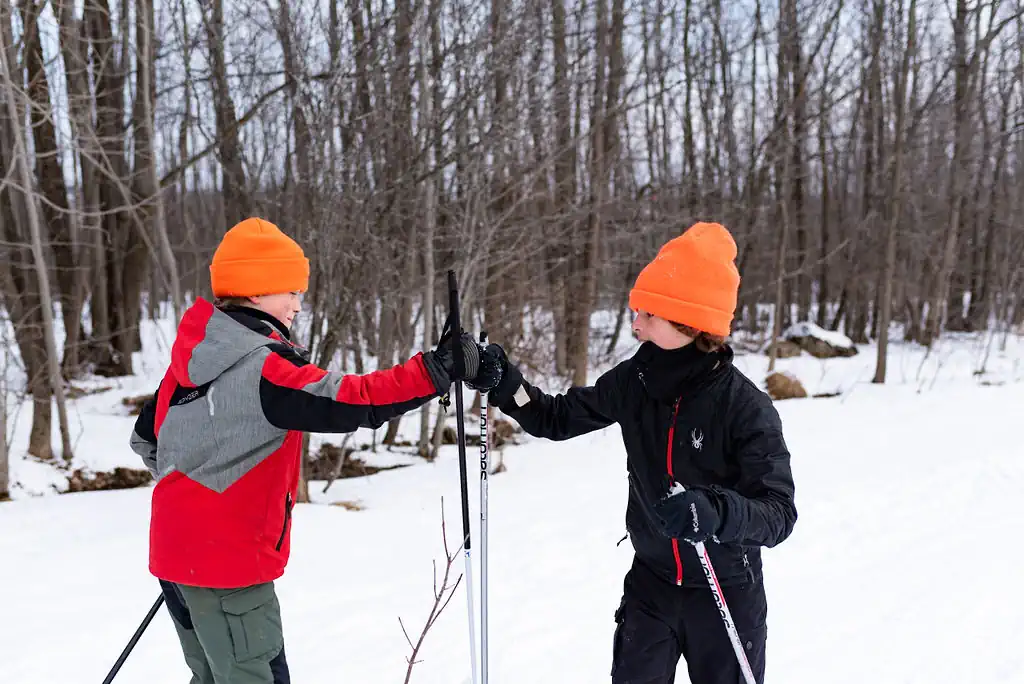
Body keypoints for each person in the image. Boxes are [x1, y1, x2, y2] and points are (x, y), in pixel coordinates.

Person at [129, 217, 493, 684]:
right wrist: (434, 371)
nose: (298, 305)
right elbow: (349, 400)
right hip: (229, 566)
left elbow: (147, 440)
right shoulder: (263, 366)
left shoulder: (188, 362)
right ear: (258, 292)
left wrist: (195, 503)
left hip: (178, 558)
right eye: (292, 292)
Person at [478, 222, 797, 683]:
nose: (635, 323)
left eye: (647, 313)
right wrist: (508, 386)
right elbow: (556, 418)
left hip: (725, 590)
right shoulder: (637, 379)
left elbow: (779, 514)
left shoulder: (745, 407)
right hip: (652, 584)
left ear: (687, 323)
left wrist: (715, 511)